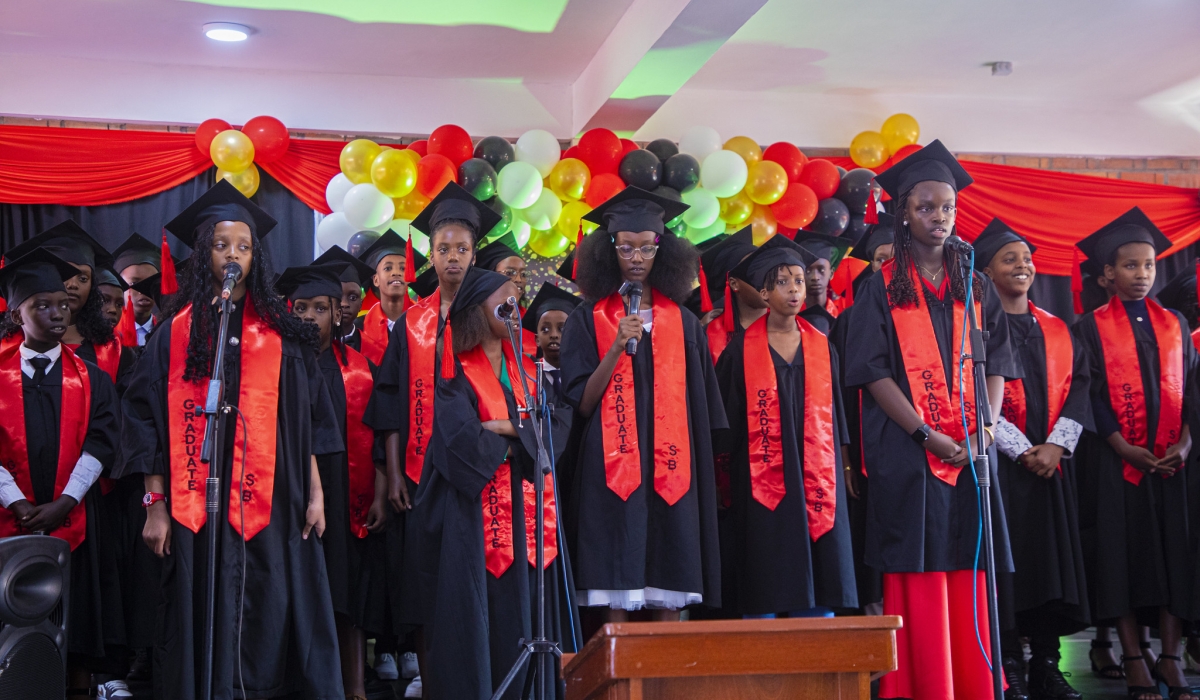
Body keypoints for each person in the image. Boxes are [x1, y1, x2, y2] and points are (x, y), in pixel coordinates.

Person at [118, 180, 344, 700]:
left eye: (243, 245)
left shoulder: (283, 335)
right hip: (198, 502)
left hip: (276, 499)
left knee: (275, 598)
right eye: (221, 245)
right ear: (203, 254)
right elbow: (144, 420)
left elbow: (307, 423)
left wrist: (315, 492)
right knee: (201, 602)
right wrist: (154, 503)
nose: (233, 255)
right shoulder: (176, 334)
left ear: (255, 256)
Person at [843, 141, 1020, 700]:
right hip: (908, 450)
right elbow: (871, 373)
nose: (938, 217)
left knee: (970, 566)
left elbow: (999, 366)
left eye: (946, 207)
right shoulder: (879, 287)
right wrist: (926, 434)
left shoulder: (976, 284)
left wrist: (985, 431)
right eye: (926, 207)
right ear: (903, 211)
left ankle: (972, 683)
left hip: (971, 450)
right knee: (917, 569)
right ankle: (923, 686)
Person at [558, 186, 727, 621]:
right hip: (610, 471)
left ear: (663, 251)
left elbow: (704, 413)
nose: (636, 257)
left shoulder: (686, 324)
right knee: (616, 584)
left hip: (674, 471)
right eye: (625, 247)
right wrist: (616, 346)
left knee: (670, 582)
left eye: (647, 248)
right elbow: (581, 404)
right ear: (607, 250)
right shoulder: (586, 319)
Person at [364, 182, 501, 698]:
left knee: (474, 582)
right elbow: (389, 405)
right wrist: (395, 472)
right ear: (429, 253)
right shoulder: (411, 324)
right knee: (423, 581)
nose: (452, 258)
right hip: (422, 477)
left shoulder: (486, 318)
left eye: (461, 249)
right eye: (442, 248)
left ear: (474, 253)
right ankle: (429, 675)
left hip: (479, 474)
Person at [411, 265, 570, 699]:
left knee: (528, 603)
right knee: (479, 611)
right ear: (477, 309)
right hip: (472, 517)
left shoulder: (530, 369)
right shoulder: (454, 372)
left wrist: (502, 427)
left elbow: (555, 424)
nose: (514, 307)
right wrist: (521, 435)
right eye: (504, 301)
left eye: (516, 300)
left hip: (529, 513)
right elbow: (459, 436)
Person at [1071, 207, 1199, 700]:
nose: (1141, 274)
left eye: (1148, 265)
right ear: (1107, 274)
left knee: (1173, 556)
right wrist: (1123, 446)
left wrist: (1185, 443)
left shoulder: (1176, 325)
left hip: (1172, 464)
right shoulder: (1088, 328)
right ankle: (1131, 657)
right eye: (1129, 265)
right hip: (1115, 463)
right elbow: (1089, 395)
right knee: (1121, 559)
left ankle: (1169, 658)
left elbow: (1191, 392)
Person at [973, 219, 1091, 700]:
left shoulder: (1057, 328)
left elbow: (1081, 386)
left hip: (1051, 468)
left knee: (1049, 567)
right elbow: (976, 397)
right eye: (1009, 258)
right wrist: (1020, 449)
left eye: (1026, 258)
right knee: (1008, 568)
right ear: (986, 271)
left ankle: (1046, 662)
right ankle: (1008, 665)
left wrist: (1056, 445)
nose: (1022, 265)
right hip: (1001, 470)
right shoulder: (976, 330)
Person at [713, 234, 857, 618]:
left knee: (820, 562)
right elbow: (725, 425)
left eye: (798, 279)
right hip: (761, 476)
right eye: (782, 282)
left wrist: (844, 466)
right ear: (763, 292)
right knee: (766, 566)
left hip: (819, 473)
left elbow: (838, 414)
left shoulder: (822, 344)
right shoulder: (739, 350)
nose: (795, 289)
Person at [0, 249, 122, 698]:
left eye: (63, 304)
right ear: (17, 313)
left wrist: (65, 502)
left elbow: (102, 442)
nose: (57, 313)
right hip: (8, 519)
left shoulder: (92, 379)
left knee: (76, 627)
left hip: (74, 521)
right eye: (42, 305)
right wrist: (16, 501)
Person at [277, 263, 391, 700]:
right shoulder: (280, 364)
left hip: (346, 492)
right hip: (290, 487)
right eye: (300, 307)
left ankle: (355, 687)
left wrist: (380, 490)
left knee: (345, 586)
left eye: (320, 308)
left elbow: (380, 434)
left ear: (336, 314)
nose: (309, 316)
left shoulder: (361, 369)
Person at [5, 221, 135, 385]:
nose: (73, 284)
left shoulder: (113, 346)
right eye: (65, 273)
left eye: (83, 278)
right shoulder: (9, 344)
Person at [357, 230, 428, 365]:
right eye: (388, 268)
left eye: (403, 268)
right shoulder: (360, 326)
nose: (396, 273)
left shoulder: (425, 321)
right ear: (376, 280)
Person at [695, 226, 765, 364]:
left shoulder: (791, 325)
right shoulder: (711, 336)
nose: (763, 274)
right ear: (733, 283)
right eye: (752, 268)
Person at [475, 232, 537, 355]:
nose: (519, 279)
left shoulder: (529, 320)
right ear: (490, 276)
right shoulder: (478, 317)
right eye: (510, 273)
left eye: (523, 274)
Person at [112, 232, 174, 348]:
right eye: (134, 283)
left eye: (151, 282)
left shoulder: (168, 331)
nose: (142, 290)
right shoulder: (108, 334)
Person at [313, 245, 378, 354]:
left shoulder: (376, 352)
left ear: (361, 304)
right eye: (337, 296)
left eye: (353, 297)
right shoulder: (307, 350)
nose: (344, 304)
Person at [792, 229, 852, 334]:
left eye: (821, 270)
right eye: (808, 270)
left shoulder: (844, 315)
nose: (815, 277)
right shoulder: (788, 315)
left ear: (831, 273)